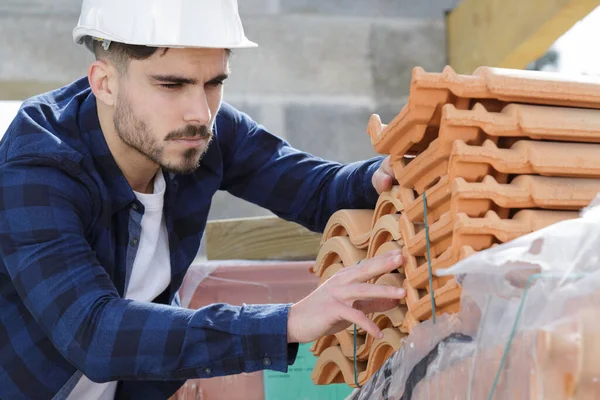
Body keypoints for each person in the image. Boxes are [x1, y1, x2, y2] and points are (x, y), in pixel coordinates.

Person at [0, 0, 406, 399]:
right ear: (104, 83)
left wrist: (381, 174)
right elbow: (92, 333)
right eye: (171, 85)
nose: (199, 112)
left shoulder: (201, 130)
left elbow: (316, 190)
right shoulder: (40, 163)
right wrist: (288, 322)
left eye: (214, 83)